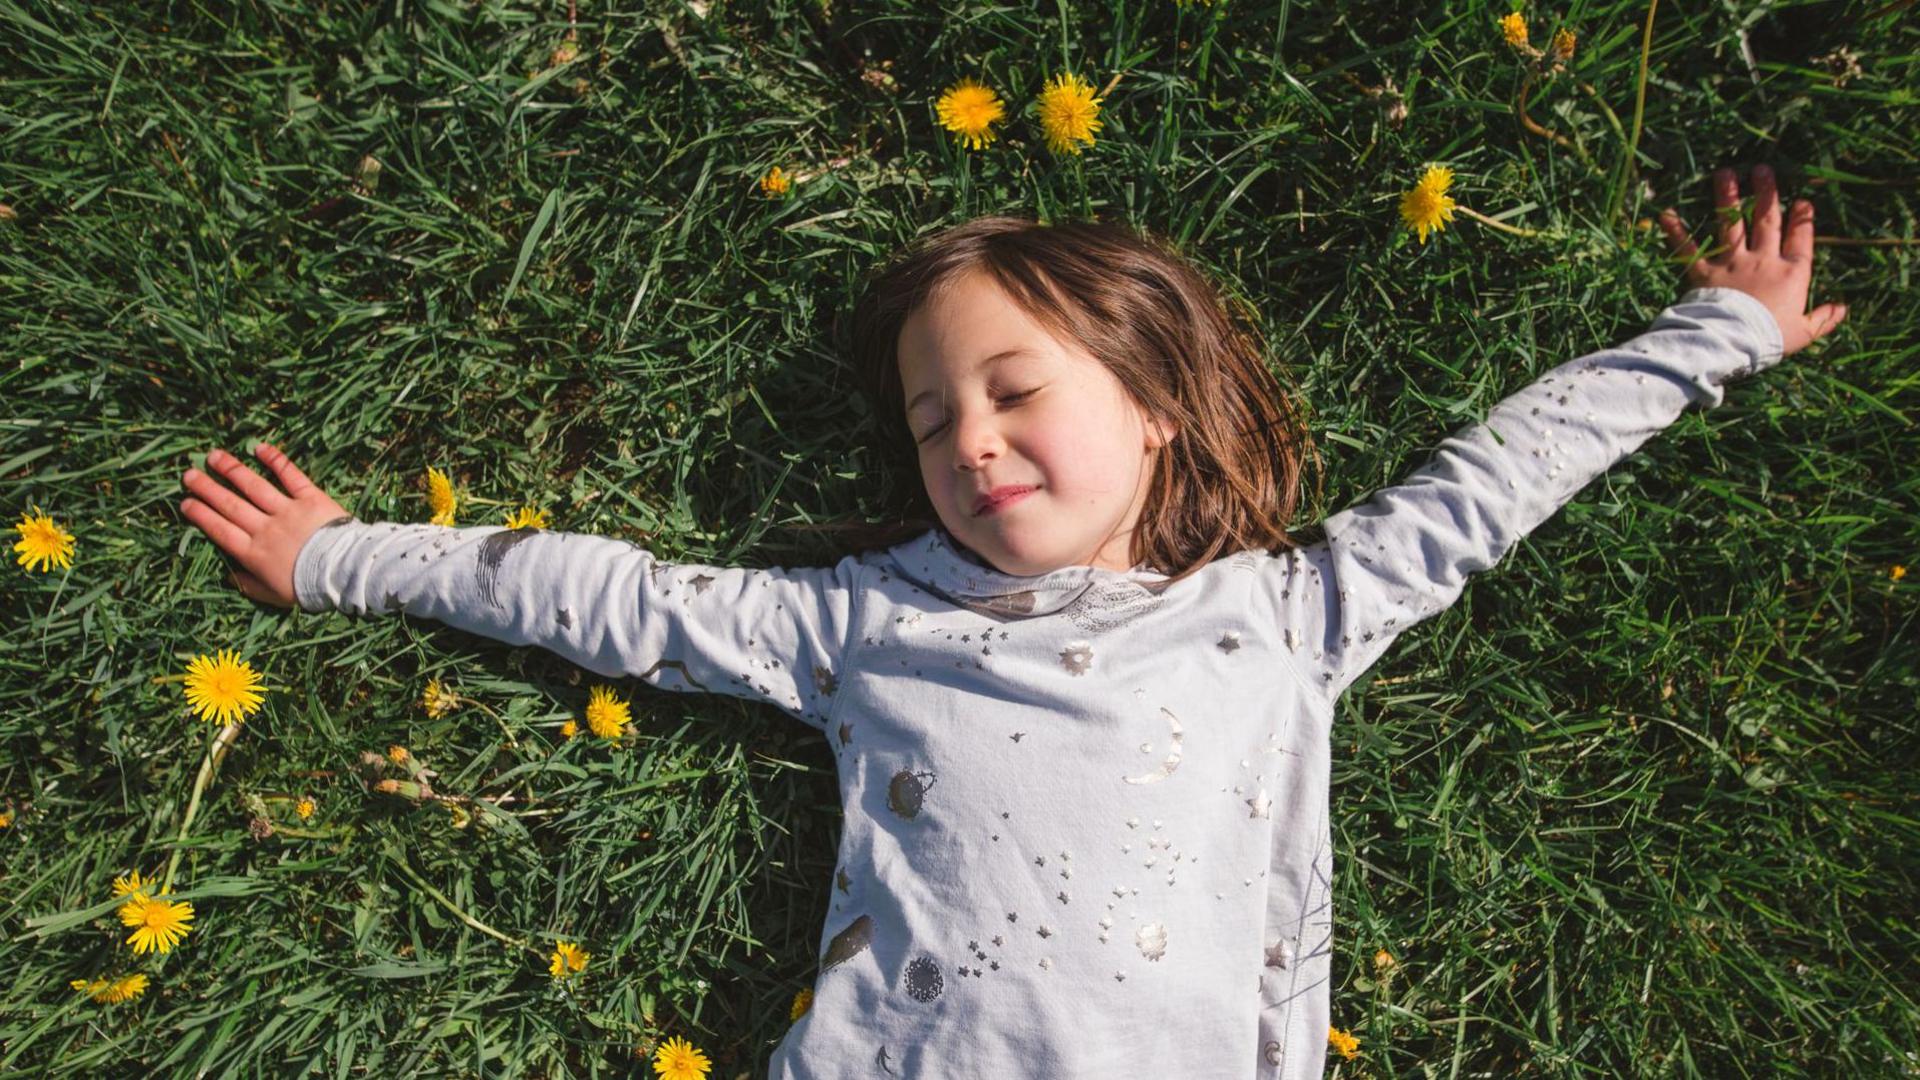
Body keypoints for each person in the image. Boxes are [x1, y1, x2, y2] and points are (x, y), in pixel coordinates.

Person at [179, 164, 1845, 1078]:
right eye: (928, 421)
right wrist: (342, 558)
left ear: (1157, 408)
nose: (967, 441)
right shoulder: (862, 623)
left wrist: (1716, 333)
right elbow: (610, 598)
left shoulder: (1285, 615)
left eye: (1014, 391)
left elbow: (1496, 480)